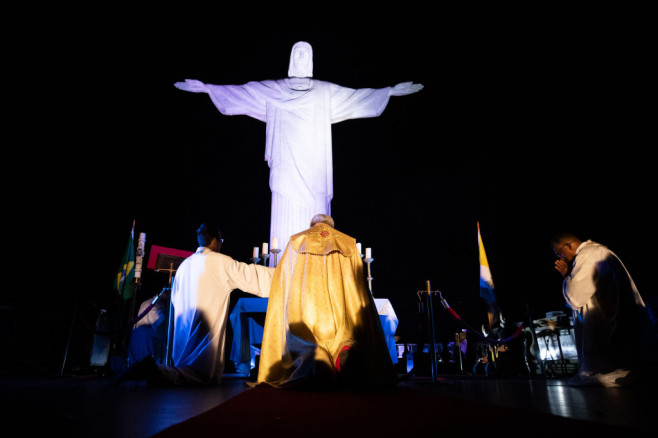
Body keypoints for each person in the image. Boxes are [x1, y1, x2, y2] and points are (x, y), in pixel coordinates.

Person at [174, 42, 423, 261]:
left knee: (316, 216)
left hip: (314, 170)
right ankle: (282, 267)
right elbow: (244, 92)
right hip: (286, 168)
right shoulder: (276, 89)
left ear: (311, 61)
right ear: (292, 60)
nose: (302, 58)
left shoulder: (324, 91)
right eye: (298, 53)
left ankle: (315, 268)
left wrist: (387, 92)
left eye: (307, 53)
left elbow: (355, 98)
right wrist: (209, 88)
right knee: (284, 218)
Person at [111, 223, 275, 386]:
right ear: (215, 241)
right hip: (203, 334)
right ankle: (153, 370)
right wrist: (283, 273)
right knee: (199, 374)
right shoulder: (219, 262)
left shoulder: (184, 265)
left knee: (185, 368)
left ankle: (153, 370)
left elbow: (175, 299)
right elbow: (251, 275)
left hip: (184, 331)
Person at [256, 214, 396, 390]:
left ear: (312, 225)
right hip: (341, 315)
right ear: (332, 226)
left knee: (305, 342)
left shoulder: (296, 241)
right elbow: (360, 285)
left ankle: (316, 362)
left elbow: (282, 280)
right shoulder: (348, 243)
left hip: (306, 311)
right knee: (346, 338)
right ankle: (343, 353)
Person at [552, 232, 658, 387]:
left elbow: (577, 295)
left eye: (559, 252)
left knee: (610, 368)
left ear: (569, 245)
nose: (561, 257)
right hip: (611, 313)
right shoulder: (595, 252)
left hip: (609, 319)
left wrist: (566, 276)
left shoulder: (590, 254)